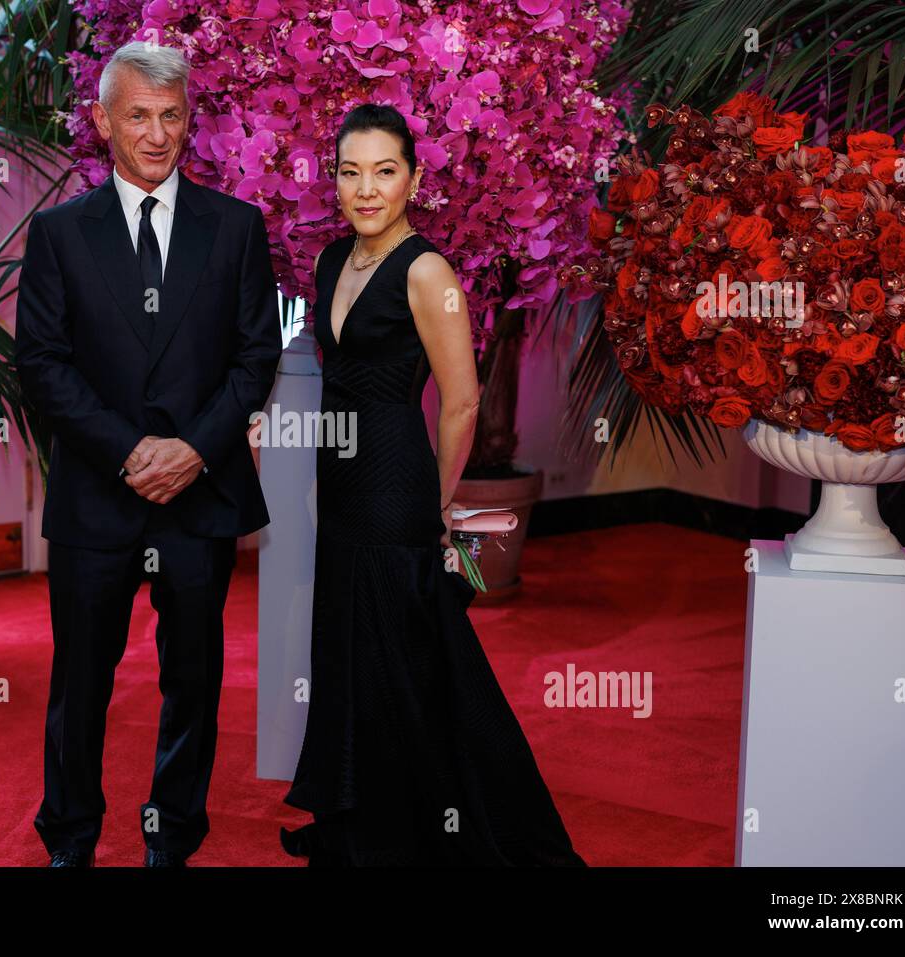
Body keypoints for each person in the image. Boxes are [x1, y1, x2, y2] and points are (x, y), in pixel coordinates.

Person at [279, 104, 586, 867]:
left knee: (415, 660)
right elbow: (336, 381)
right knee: (351, 654)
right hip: (341, 481)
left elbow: (462, 400)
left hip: (396, 486)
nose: (366, 188)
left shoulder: (427, 270)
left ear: (414, 179)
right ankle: (363, 824)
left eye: (385, 171)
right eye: (351, 172)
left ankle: (441, 830)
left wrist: (440, 502)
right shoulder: (326, 263)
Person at [14, 41, 282, 867]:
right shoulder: (59, 233)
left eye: (171, 115)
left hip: (199, 498)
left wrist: (193, 452)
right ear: (102, 121)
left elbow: (256, 356)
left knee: (192, 682)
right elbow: (42, 366)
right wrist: (132, 452)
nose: (156, 134)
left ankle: (173, 836)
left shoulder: (236, 228)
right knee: (81, 684)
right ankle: (71, 839)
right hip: (99, 493)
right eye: (137, 116)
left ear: (189, 118)